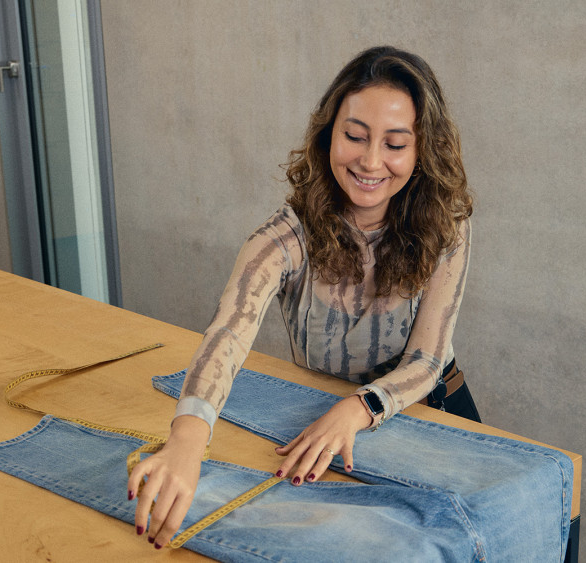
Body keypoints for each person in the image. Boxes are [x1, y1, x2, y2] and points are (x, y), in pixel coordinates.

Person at [128, 45, 477, 549]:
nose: (371, 161)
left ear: (422, 151)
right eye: (355, 136)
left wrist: (356, 409)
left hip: (428, 410)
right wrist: (185, 443)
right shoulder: (283, 239)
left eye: (395, 144)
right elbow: (227, 336)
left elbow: (427, 360)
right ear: (328, 134)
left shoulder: (449, 226)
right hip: (325, 421)